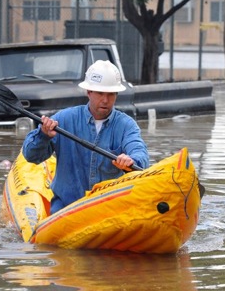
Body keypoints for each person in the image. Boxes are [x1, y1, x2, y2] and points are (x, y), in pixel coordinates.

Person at [22, 60, 150, 214]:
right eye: (100, 93)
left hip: (109, 210)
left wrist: (132, 161)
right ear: (88, 91)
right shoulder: (63, 119)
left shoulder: (126, 125)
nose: (105, 100)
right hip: (66, 208)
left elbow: (140, 154)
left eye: (110, 94)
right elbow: (31, 156)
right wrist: (43, 135)